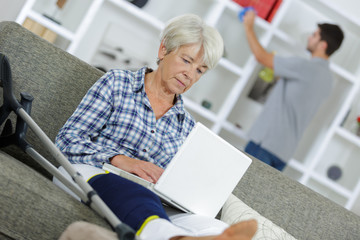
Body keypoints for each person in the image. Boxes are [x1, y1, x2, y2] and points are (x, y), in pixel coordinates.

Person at [55, 14, 257, 240]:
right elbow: (66, 140)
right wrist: (120, 160)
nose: (190, 74)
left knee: (212, 226)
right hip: (91, 173)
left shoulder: (189, 128)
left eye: (200, 70)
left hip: (154, 199)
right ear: (163, 50)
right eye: (187, 60)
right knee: (136, 194)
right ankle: (172, 237)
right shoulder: (117, 83)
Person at [242, 10, 344, 171]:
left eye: (315, 35)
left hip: (265, 145)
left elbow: (261, 57)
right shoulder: (328, 80)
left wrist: (248, 26)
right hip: (283, 153)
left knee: (237, 190)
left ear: (323, 45)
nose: (310, 37)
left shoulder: (304, 66)